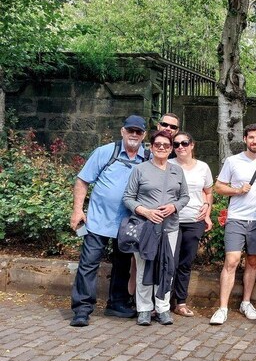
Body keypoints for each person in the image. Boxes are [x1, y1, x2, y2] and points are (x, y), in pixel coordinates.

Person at [69, 115, 149, 327]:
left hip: (128, 223)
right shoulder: (105, 152)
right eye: (130, 130)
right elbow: (83, 180)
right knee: (88, 264)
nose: (134, 134)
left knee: (122, 265)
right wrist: (78, 210)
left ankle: (117, 303)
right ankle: (82, 309)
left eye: (138, 132)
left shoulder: (147, 157)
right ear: (122, 131)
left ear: (144, 135)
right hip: (98, 220)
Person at [210, 123, 256, 325]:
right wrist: (237, 191)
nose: (254, 141)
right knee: (231, 261)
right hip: (236, 217)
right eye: (251, 137)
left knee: (253, 261)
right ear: (245, 139)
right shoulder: (233, 161)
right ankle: (222, 308)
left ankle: (246, 302)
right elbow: (218, 187)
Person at [123, 130, 190, 325]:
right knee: (144, 268)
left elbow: (184, 196)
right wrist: (145, 211)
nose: (162, 147)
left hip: (170, 228)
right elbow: (128, 198)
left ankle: (162, 308)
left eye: (166, 145)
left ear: (170, 149)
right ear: (151, 147)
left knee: (166, 268)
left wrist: (173, 206)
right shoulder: (140, 169)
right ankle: (144, 309)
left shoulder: (177, 171)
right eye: (158, 144)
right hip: (146, 227)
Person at [169, 132, 213, 317]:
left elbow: (208, 192)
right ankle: (162, 303)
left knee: (185, 263)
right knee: (169, 262)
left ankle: (180, 303)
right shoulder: (168, 165)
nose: (180, 147)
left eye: (184, 143)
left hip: (194, 221)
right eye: (176, 144)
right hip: (171, 220)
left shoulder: (203, 167)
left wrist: (207, 211)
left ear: (192, 145)